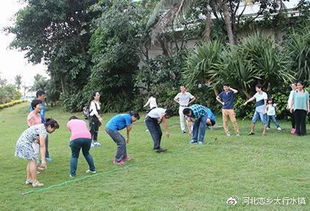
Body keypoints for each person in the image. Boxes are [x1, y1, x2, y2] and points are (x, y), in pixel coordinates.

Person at [15, 118, 59, 187]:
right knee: (33, 161)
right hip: (24, 143)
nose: (54, 131)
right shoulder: (43, 130)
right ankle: (35, 182)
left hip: (22, 143)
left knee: (30, 161)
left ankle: (29, 179)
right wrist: (43, 161)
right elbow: (42, 146)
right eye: (54, 129)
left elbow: (38, 140)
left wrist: (39, 142)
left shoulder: (41, 127)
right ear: (50, 126)